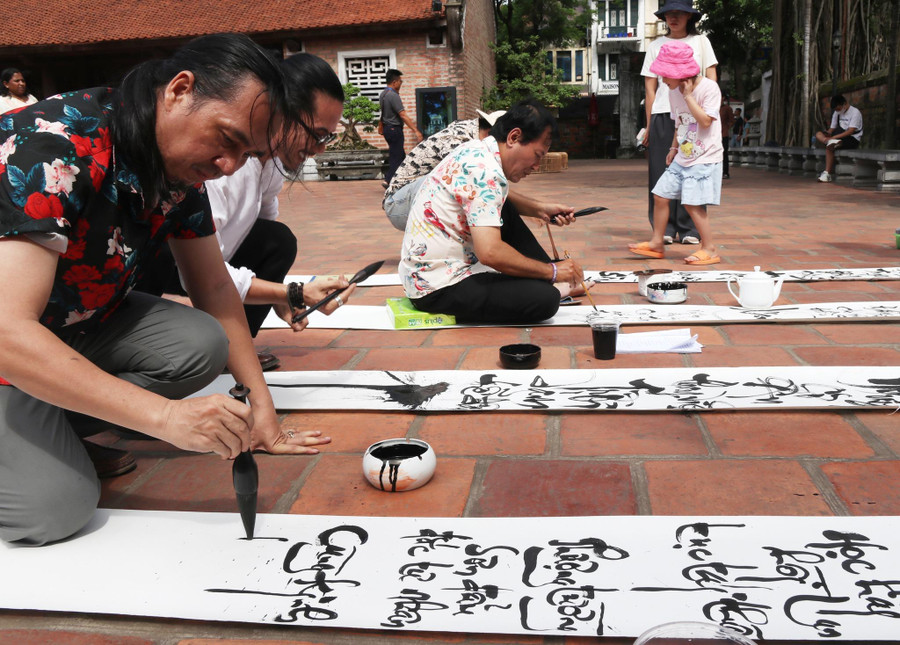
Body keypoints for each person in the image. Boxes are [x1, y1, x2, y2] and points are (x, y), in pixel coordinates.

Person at [0, 34, 332, 547]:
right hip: (10, 343)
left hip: (70, 326)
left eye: (247, 153)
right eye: (227, 138)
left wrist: (261, 406)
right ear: (180, 90)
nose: (229, 166)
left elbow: (215, 287)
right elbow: (6, 330)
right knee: (54, 509)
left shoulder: (175, 168)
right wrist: (166, 418)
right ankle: (39, 434)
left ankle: (49, 423)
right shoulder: (50, 148)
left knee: (200, 343)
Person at [135, 53, 354, 371]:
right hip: (175, 259)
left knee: (277, 239)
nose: (320, 149)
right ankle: (224, 348)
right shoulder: (224, 167)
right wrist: (291, 293)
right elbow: (208, 272)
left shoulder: (270, 163)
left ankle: (234, 346)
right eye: (317, 134)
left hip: (212, 257)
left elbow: (263, 229)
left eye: (328, 138)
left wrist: (282, 297)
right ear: (280, 111)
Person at [399, 100, 584, 324]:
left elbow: (495, 197)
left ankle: (549, 279)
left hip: (424, 273)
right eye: (537, 155)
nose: (536, 166)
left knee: (504, 206)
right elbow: (490, 253)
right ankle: (553, 283)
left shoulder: (477, 150)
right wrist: (552, 271)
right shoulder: (485, 171)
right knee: (546, 300)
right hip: (436, 288)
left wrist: (539, 209)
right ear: (514, 137)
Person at [629, 40, 723, 266]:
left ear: (680, 74)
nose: (662, 79)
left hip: (704, 157)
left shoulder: (709, 88)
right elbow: (680, 123)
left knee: (692, 203)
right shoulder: (671, 91)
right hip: (683, 155)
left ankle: (709, 248)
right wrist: (673, 148)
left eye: (666, 75)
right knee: (661, 195)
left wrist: (689, 96)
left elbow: (705, 122)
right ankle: (656, 242)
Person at [640, 0, 717, 246]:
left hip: (695, 113)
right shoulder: (655, 45)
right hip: (664, 113)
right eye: (669, 14)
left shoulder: (701, 41)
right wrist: (649, 124)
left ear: (689, 17)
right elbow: (650, 88)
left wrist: (707, 108)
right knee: (661, 172)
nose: (673, 19)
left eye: (679, 14)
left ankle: (690, 229)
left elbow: (711, 75)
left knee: (693, 167)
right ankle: (663, 228)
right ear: (663, 18)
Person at [382, 108, 506, 231]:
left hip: (411, 198)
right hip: (398, 204)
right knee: (468, 180)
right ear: (490, 135)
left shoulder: (471, 134)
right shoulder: (459, 138)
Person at [379, 69, 423, 187]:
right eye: (400, 81)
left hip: (388, 129)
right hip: (394, 129)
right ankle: (388, 181)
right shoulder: (393, 95)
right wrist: (416, 131)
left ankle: (404, 180)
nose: (401, 83)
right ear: (394, 82)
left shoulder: (383, 94)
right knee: (396, 157)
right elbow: (403, 115)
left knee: (400, 156)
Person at [814, 94, 863, 183]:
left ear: (844, 104)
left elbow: (850, 131)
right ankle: (828, 141)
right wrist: (827, 135)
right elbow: (832, 128)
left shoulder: (855, 113)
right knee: (818, 134)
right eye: (836, 110)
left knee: (830, 147)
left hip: (851, 139)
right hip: (837, 136)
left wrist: (834, 137)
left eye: (838, 109)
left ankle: (827, 173)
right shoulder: (837, 113)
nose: (838, 111)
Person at [720, 95, 734, 179]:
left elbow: (732, 120)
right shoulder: (713, 106)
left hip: (723, 134)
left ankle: (725, 172)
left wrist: (726, 127)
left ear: (723, 98)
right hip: (713, 135)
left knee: (724, 153)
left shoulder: (727, 108)